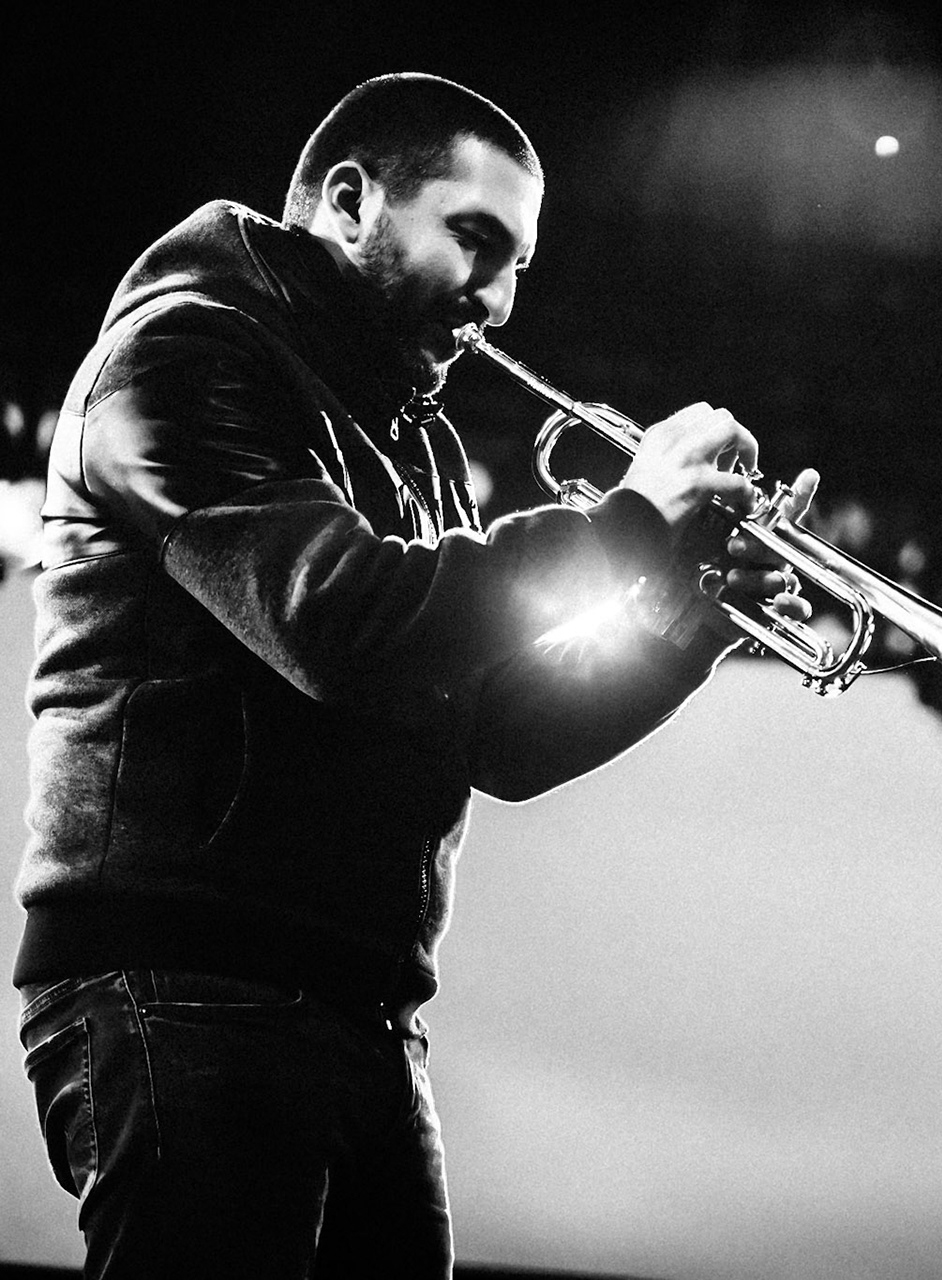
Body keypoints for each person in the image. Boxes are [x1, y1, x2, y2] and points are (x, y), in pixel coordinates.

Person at [14, 72, 813, 1277]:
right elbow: (336, 624)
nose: (494, 301)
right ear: (348, 202)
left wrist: (685, 629)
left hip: (363, 1009)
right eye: (474, 241)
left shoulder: (418, 439)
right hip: (183, 980)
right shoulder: (182, 353)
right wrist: (628, 522)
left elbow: (499, 740)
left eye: (517, 267)